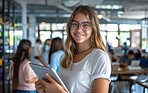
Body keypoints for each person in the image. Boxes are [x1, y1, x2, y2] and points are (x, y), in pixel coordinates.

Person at [35, 5, 111, 93]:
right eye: (75, 24)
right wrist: (45, 89)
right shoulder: (64, 57)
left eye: (85, 25)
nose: (79, 29)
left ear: (93, 29)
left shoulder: (99, 57)